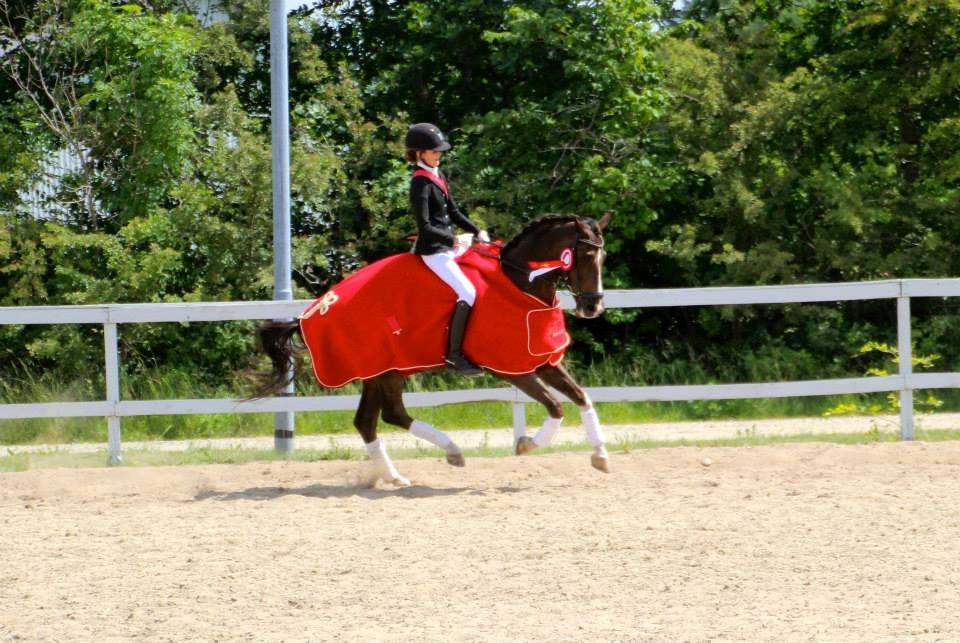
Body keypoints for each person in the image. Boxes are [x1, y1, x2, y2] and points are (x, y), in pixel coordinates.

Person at [405, 122, 489, 376]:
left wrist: (476, 231)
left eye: (440, 151)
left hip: (451, 245)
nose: (439, 155)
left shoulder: (438, 175)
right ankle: (454, 356)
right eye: (434, 152)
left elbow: (453, 211)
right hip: (434, 251)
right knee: (468, 292)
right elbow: (426, 226)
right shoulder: (420, 183)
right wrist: (453, 240)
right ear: (420, 154)